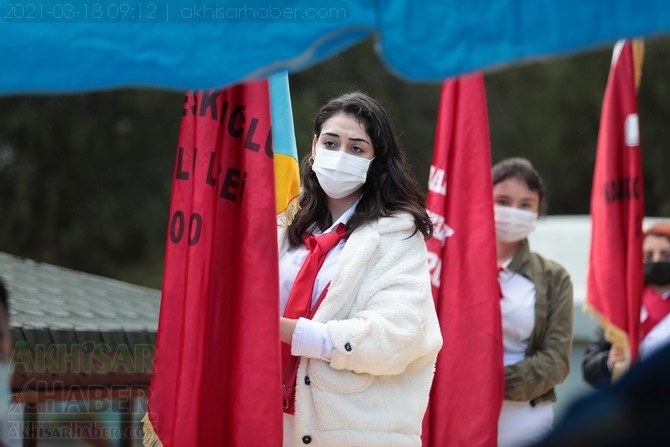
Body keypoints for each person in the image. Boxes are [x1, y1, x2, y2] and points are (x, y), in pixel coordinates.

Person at [277, 92, 443, 447]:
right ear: (314, 145)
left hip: (354, 434)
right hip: (267, 420)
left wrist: (291, 332)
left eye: (356, 148)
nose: (340, 155)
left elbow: (399, 334)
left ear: (376, 159)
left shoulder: (397, 235)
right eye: (331, 142)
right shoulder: (283, 226)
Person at [492, 157, 574, 447]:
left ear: (538, 210)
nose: (513, 212)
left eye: (526, 204)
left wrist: (489, 382)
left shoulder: (554, 278)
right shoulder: (449, 268)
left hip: (526, 420)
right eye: (502, 200)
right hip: (456, 409)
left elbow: (555, 362)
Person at [582, 222, 670, 389]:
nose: (657, 260)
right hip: (634, 405)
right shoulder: (622, 307)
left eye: (666, 255)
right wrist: (609, 361)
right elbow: (589, 367)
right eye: (648, 255)